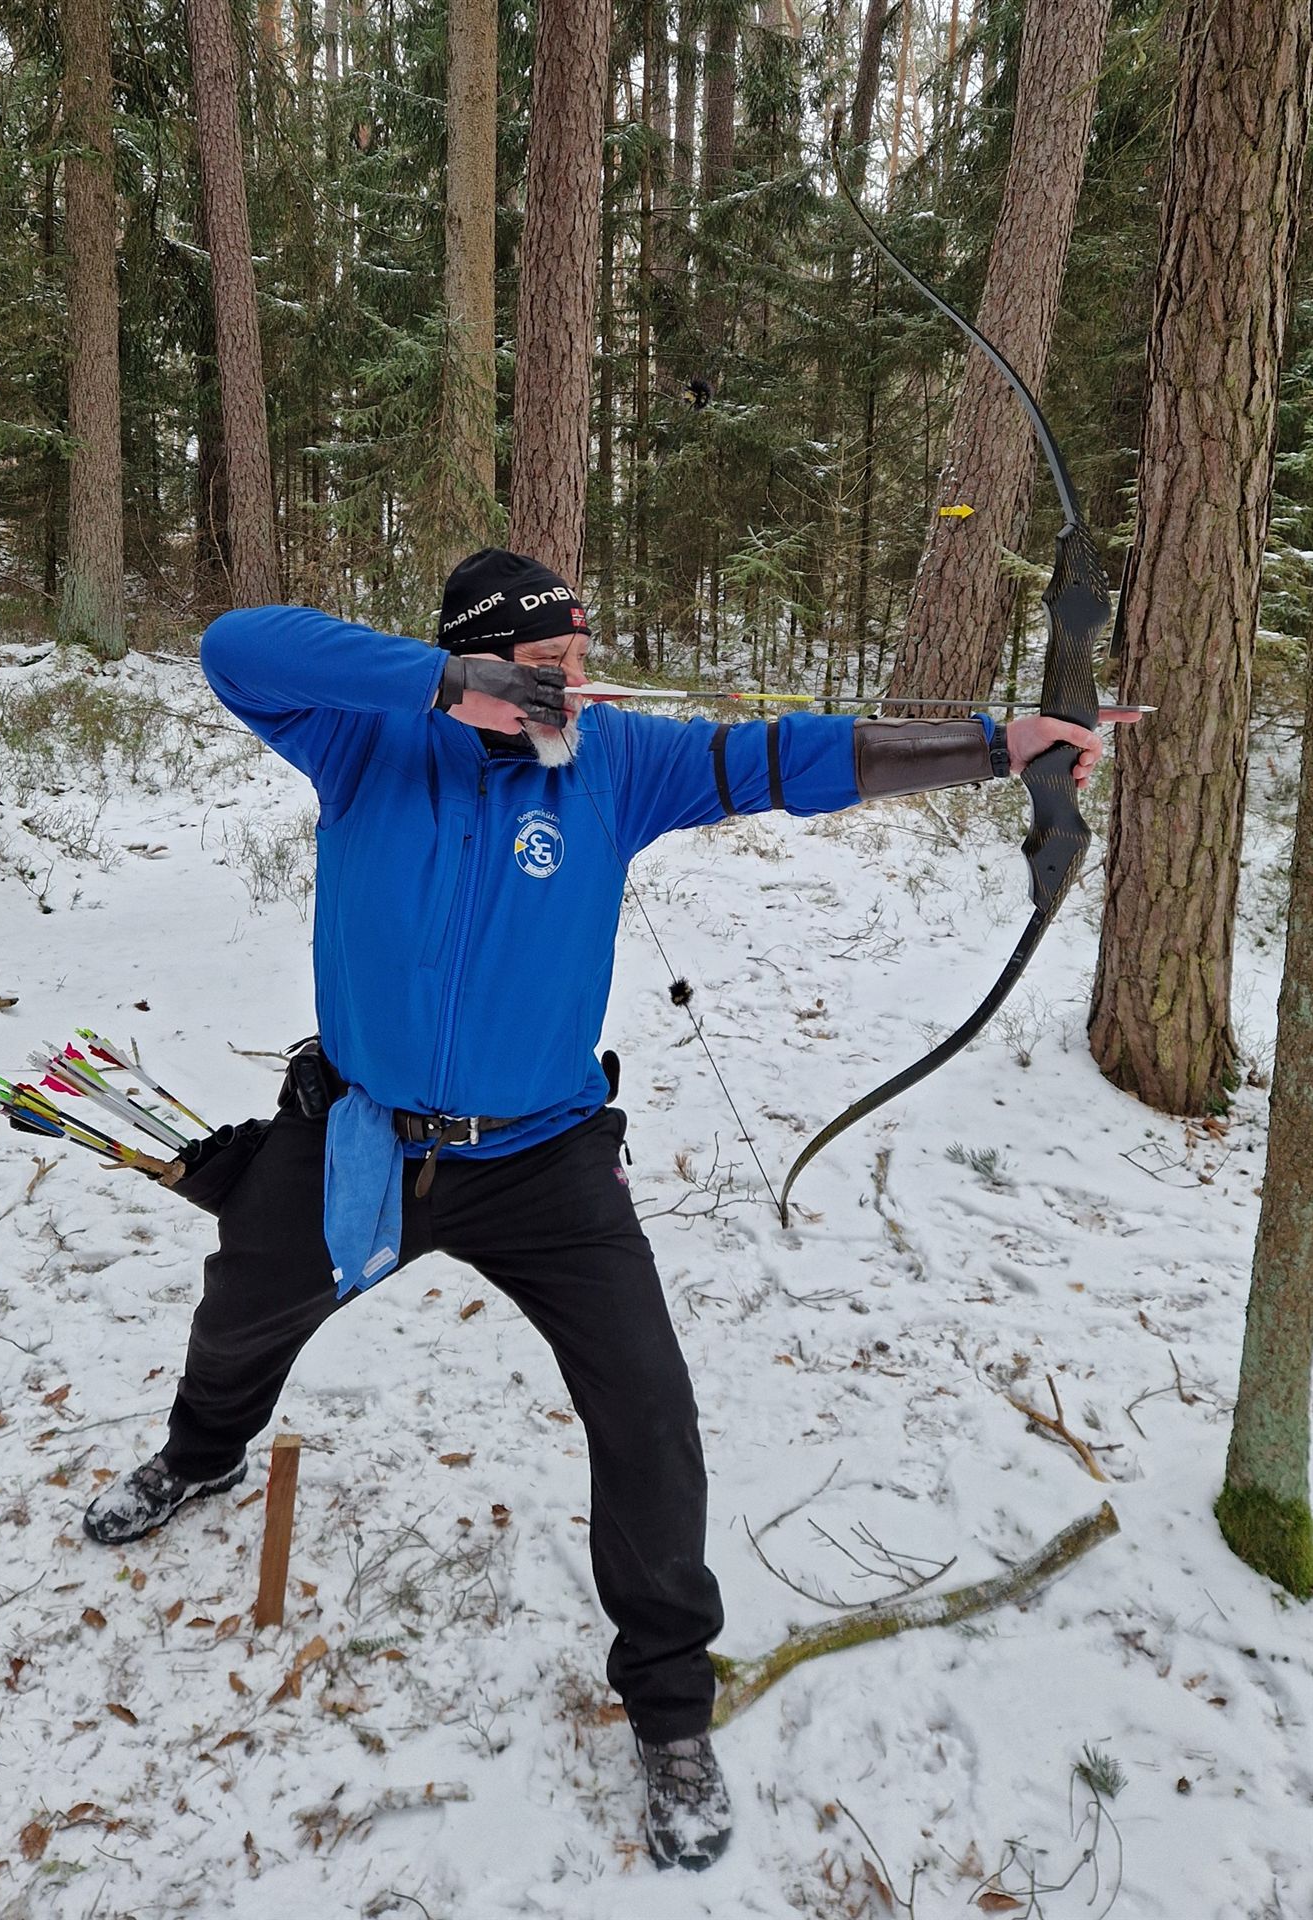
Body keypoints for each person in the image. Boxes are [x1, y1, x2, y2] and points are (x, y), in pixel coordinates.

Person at [83, 548, 1111, 1871]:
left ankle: (669, 1708)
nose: (571, 687)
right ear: (476, 660)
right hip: (361, 1135)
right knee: (241, 1313)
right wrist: (443, 689)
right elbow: (236, 643)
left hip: (546, 1161)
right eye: (542, 668)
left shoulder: (616, 762)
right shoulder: (361, 742)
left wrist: (995, 746)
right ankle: (201, 1453)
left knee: (646, 1409)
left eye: (577, 661)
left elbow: (789, 758)